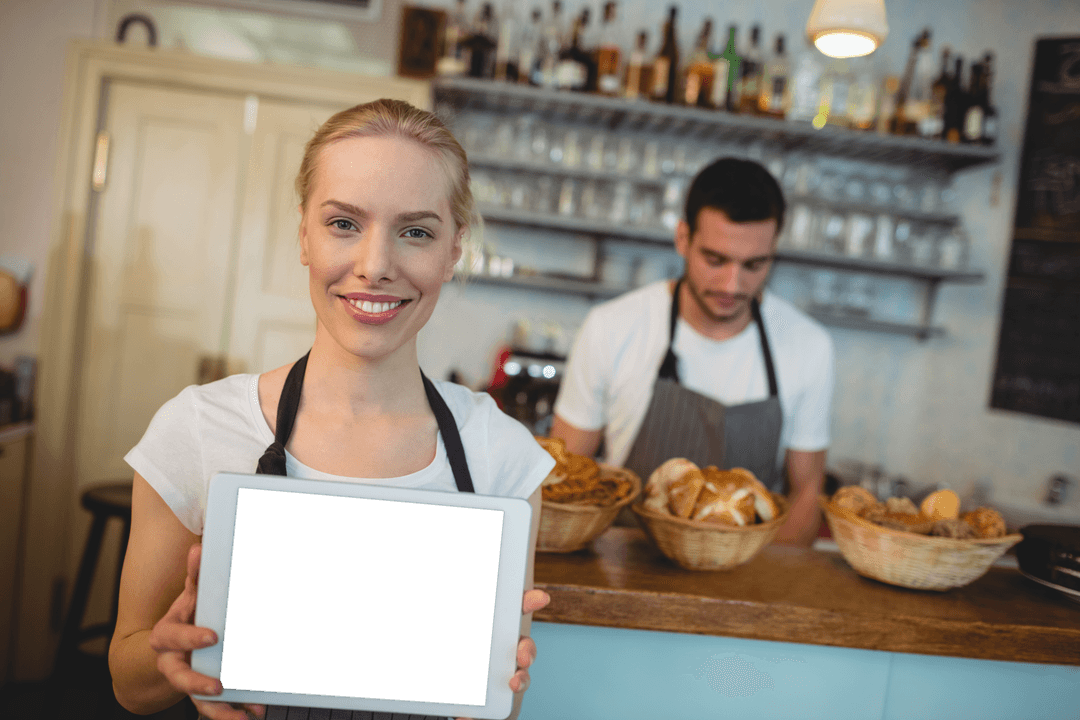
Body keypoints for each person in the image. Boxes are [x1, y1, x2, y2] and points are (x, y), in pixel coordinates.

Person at [108, 99, 555, 720]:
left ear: (454, 252)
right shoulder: (200, 429)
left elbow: (502, 708)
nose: (374, 267)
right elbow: (128, 685)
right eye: (344, 224)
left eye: (416, 232)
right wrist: (171, 658)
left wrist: (495, 685)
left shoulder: (500, 455)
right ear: (304, 235)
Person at [550, 157, 835, 546]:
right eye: (715, 260)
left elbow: (806, 494)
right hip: (624, 566)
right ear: (683, 238)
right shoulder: (611, 327)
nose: (733, 284)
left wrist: (762, 586)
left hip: (746, 579)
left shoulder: (809, 347)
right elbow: (563, 478)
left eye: (754, 265)